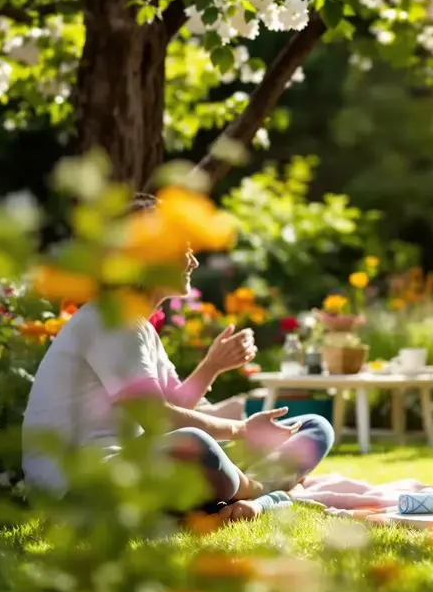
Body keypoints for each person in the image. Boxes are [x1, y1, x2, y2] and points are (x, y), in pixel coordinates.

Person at [21, 194, 334, 523]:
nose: (193, 262)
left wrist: (212, 365)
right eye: (184, 251)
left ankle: (235, 498)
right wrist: (241, 429)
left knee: (314, 427)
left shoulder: (138, 326)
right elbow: (159, 418)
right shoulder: (109, 320)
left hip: (137, 465)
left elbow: (176, 402)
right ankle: (260, 494)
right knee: (197, 445)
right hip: (77, 486)